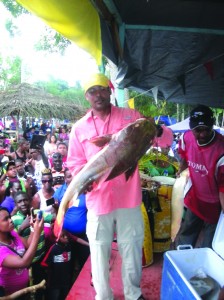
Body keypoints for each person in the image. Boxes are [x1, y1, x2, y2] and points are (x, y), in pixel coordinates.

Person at [66, 73, 156, 300]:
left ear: (110, 90)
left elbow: (160, 140)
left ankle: (133, 294)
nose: (98, 94)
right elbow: (74, 162)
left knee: (132, 247)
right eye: (92, 91)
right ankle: (103, 296)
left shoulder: (131, 116)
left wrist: (160, 131)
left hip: (129, 197)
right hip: (98, 199)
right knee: (98, 249)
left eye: (101, 89)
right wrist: (82, 180)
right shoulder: (79, 128)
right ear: (86, 96)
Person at [176, 105, 224, 248]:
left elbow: (223, 187)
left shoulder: (221, 150)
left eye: (206, 129)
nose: (202, 134)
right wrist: (181, 170)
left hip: (215, 206)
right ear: (191, 129)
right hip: (195, 199)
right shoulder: (186, 138)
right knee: (186, 236)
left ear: (212, 126)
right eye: (198, 130)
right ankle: (181, 261)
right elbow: (185, 156)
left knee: (209, 245)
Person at [0, 206, 43, 297]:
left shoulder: (12, 233)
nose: (10, 220)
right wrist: (37, 233)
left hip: (24, 290)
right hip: (11, 295)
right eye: (5, 219)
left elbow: (28, 244)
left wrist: (33, 228)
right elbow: (24, 263)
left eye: (9, 217)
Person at [54, 168, 89, 271]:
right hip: (66, 236)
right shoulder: (60, 192)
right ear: (65, 179)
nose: (73, 178)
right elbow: (51, 207)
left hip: (84, 234)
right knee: (69, 263)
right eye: (69, 176)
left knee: (84, 260)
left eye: (75, 175)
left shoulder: (85, 190)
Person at [41, 229, 89, 300]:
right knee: (54, 296)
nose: (66, 237)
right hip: (55, 282)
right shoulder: (54, 249)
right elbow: (44, 264)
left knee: (64, 296)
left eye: (66, 235)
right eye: (63, 236)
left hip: (66, 280)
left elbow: (77, 239)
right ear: (58, 238)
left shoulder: (69, 246)